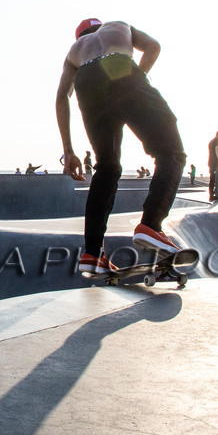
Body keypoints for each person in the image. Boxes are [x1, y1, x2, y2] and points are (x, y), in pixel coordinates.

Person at [56, 18, 187, 277]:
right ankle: (150, 225)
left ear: (80, 36)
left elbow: (62, 96)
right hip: (120, 67)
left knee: (107, 167)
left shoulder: (76, 51)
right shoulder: (119, 25)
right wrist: (136, 82)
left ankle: (92, 253)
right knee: (171, 151)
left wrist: (68, 151)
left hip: (87, 81)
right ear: (100, 26)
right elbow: (153, 47)